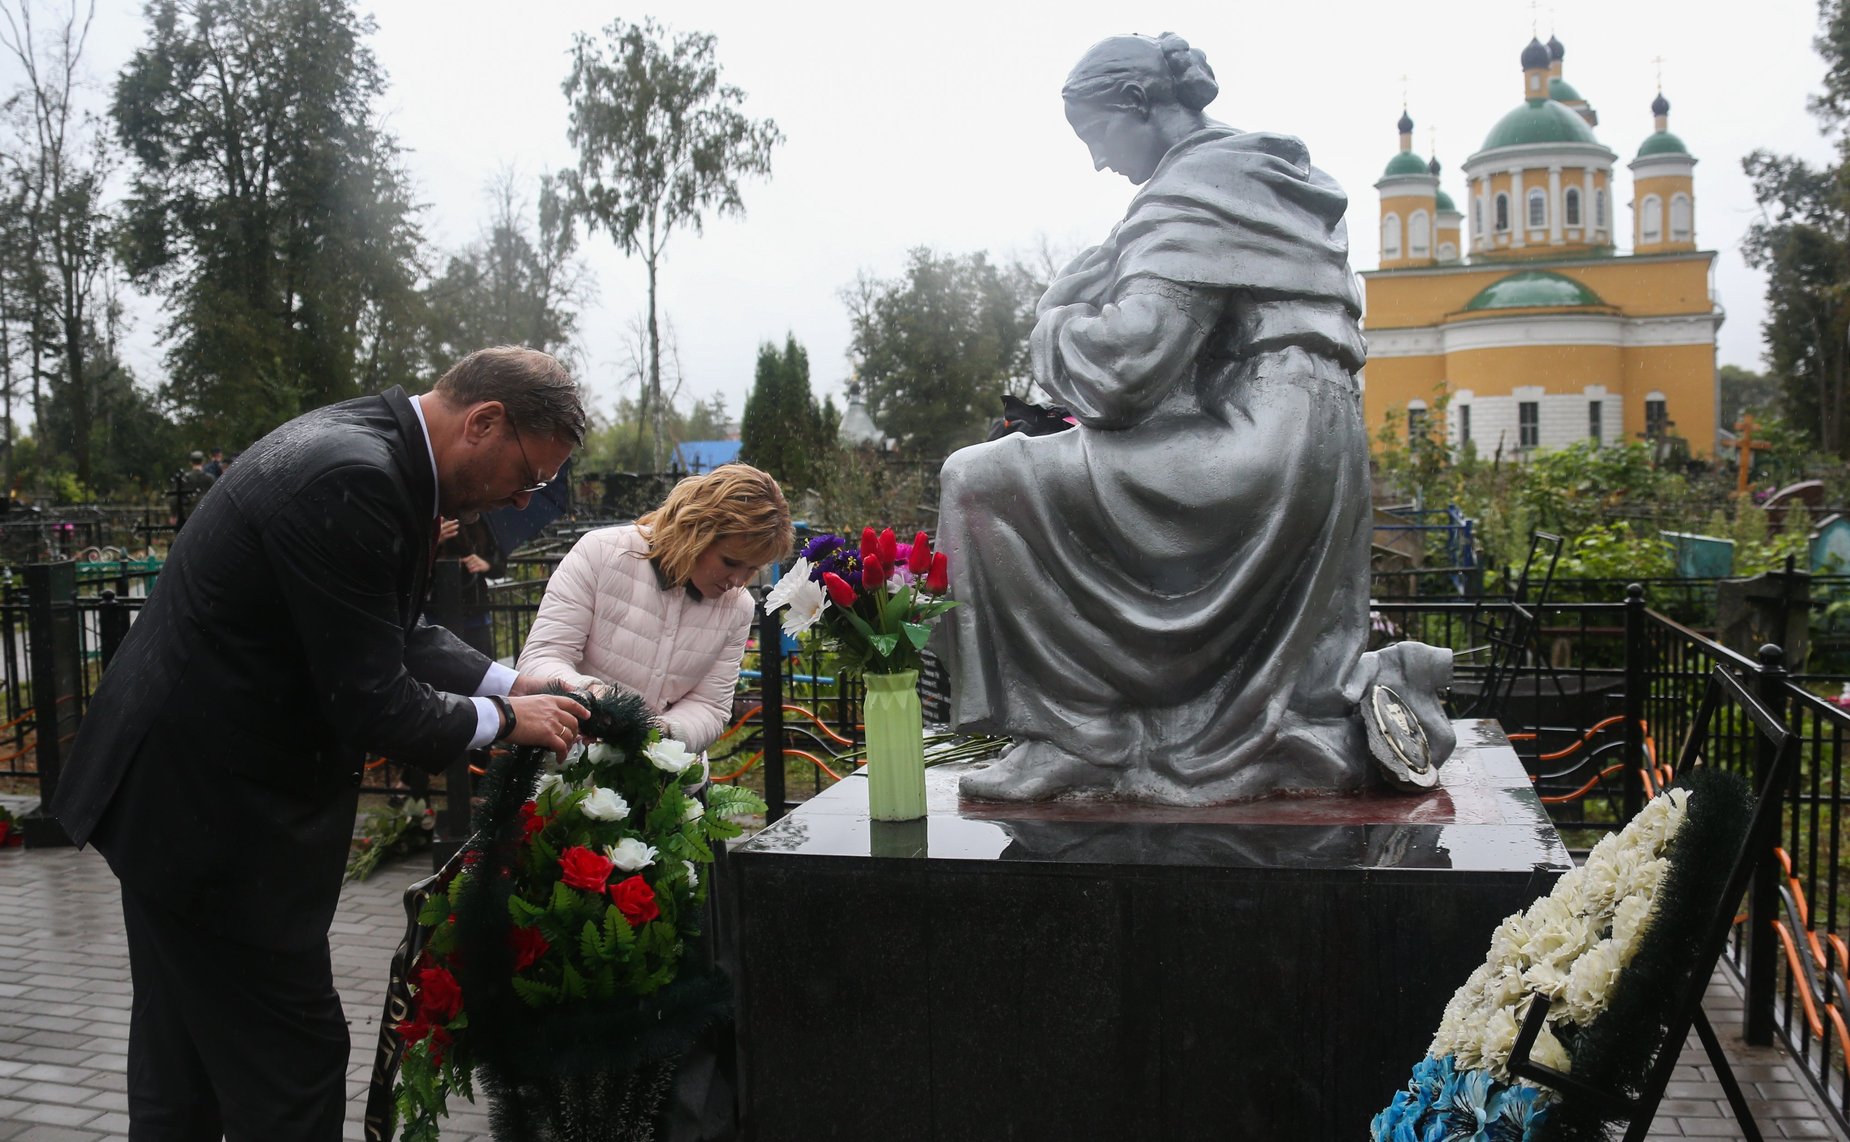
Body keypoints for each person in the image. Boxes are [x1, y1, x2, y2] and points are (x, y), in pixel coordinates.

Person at [52, 345, 597, 1141]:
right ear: (485, 422)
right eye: (531, 474)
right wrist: (513, 723)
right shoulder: (360, 477)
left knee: (182, 1068)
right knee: (293, 1070)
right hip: (216, 829)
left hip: (169, 806)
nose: (526, 496)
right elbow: (373, 702)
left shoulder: (363, 445)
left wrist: (509, 683)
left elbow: (386, 627)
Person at [941, 32, 1452, 804]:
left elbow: (1126, 370)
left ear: (1140, 104)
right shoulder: (1273, 176)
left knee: (981, 482)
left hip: (1257, 451)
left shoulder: (1196, 188)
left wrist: (1054, 317)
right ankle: (1101, 726)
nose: (1098, 162)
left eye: (1096, 135)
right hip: (1322, 451)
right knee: (1017, 478)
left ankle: (1077, 733)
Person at [517, 463, 792, 753]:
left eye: (752, 569)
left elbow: (710, 706)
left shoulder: (737, 607)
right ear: (697, 530)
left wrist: (662, 733)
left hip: (663, 783)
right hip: (572, 770)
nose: (738, 582)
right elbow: (542, 658)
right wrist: (594, 697)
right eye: (730, 562)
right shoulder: (601, 553)